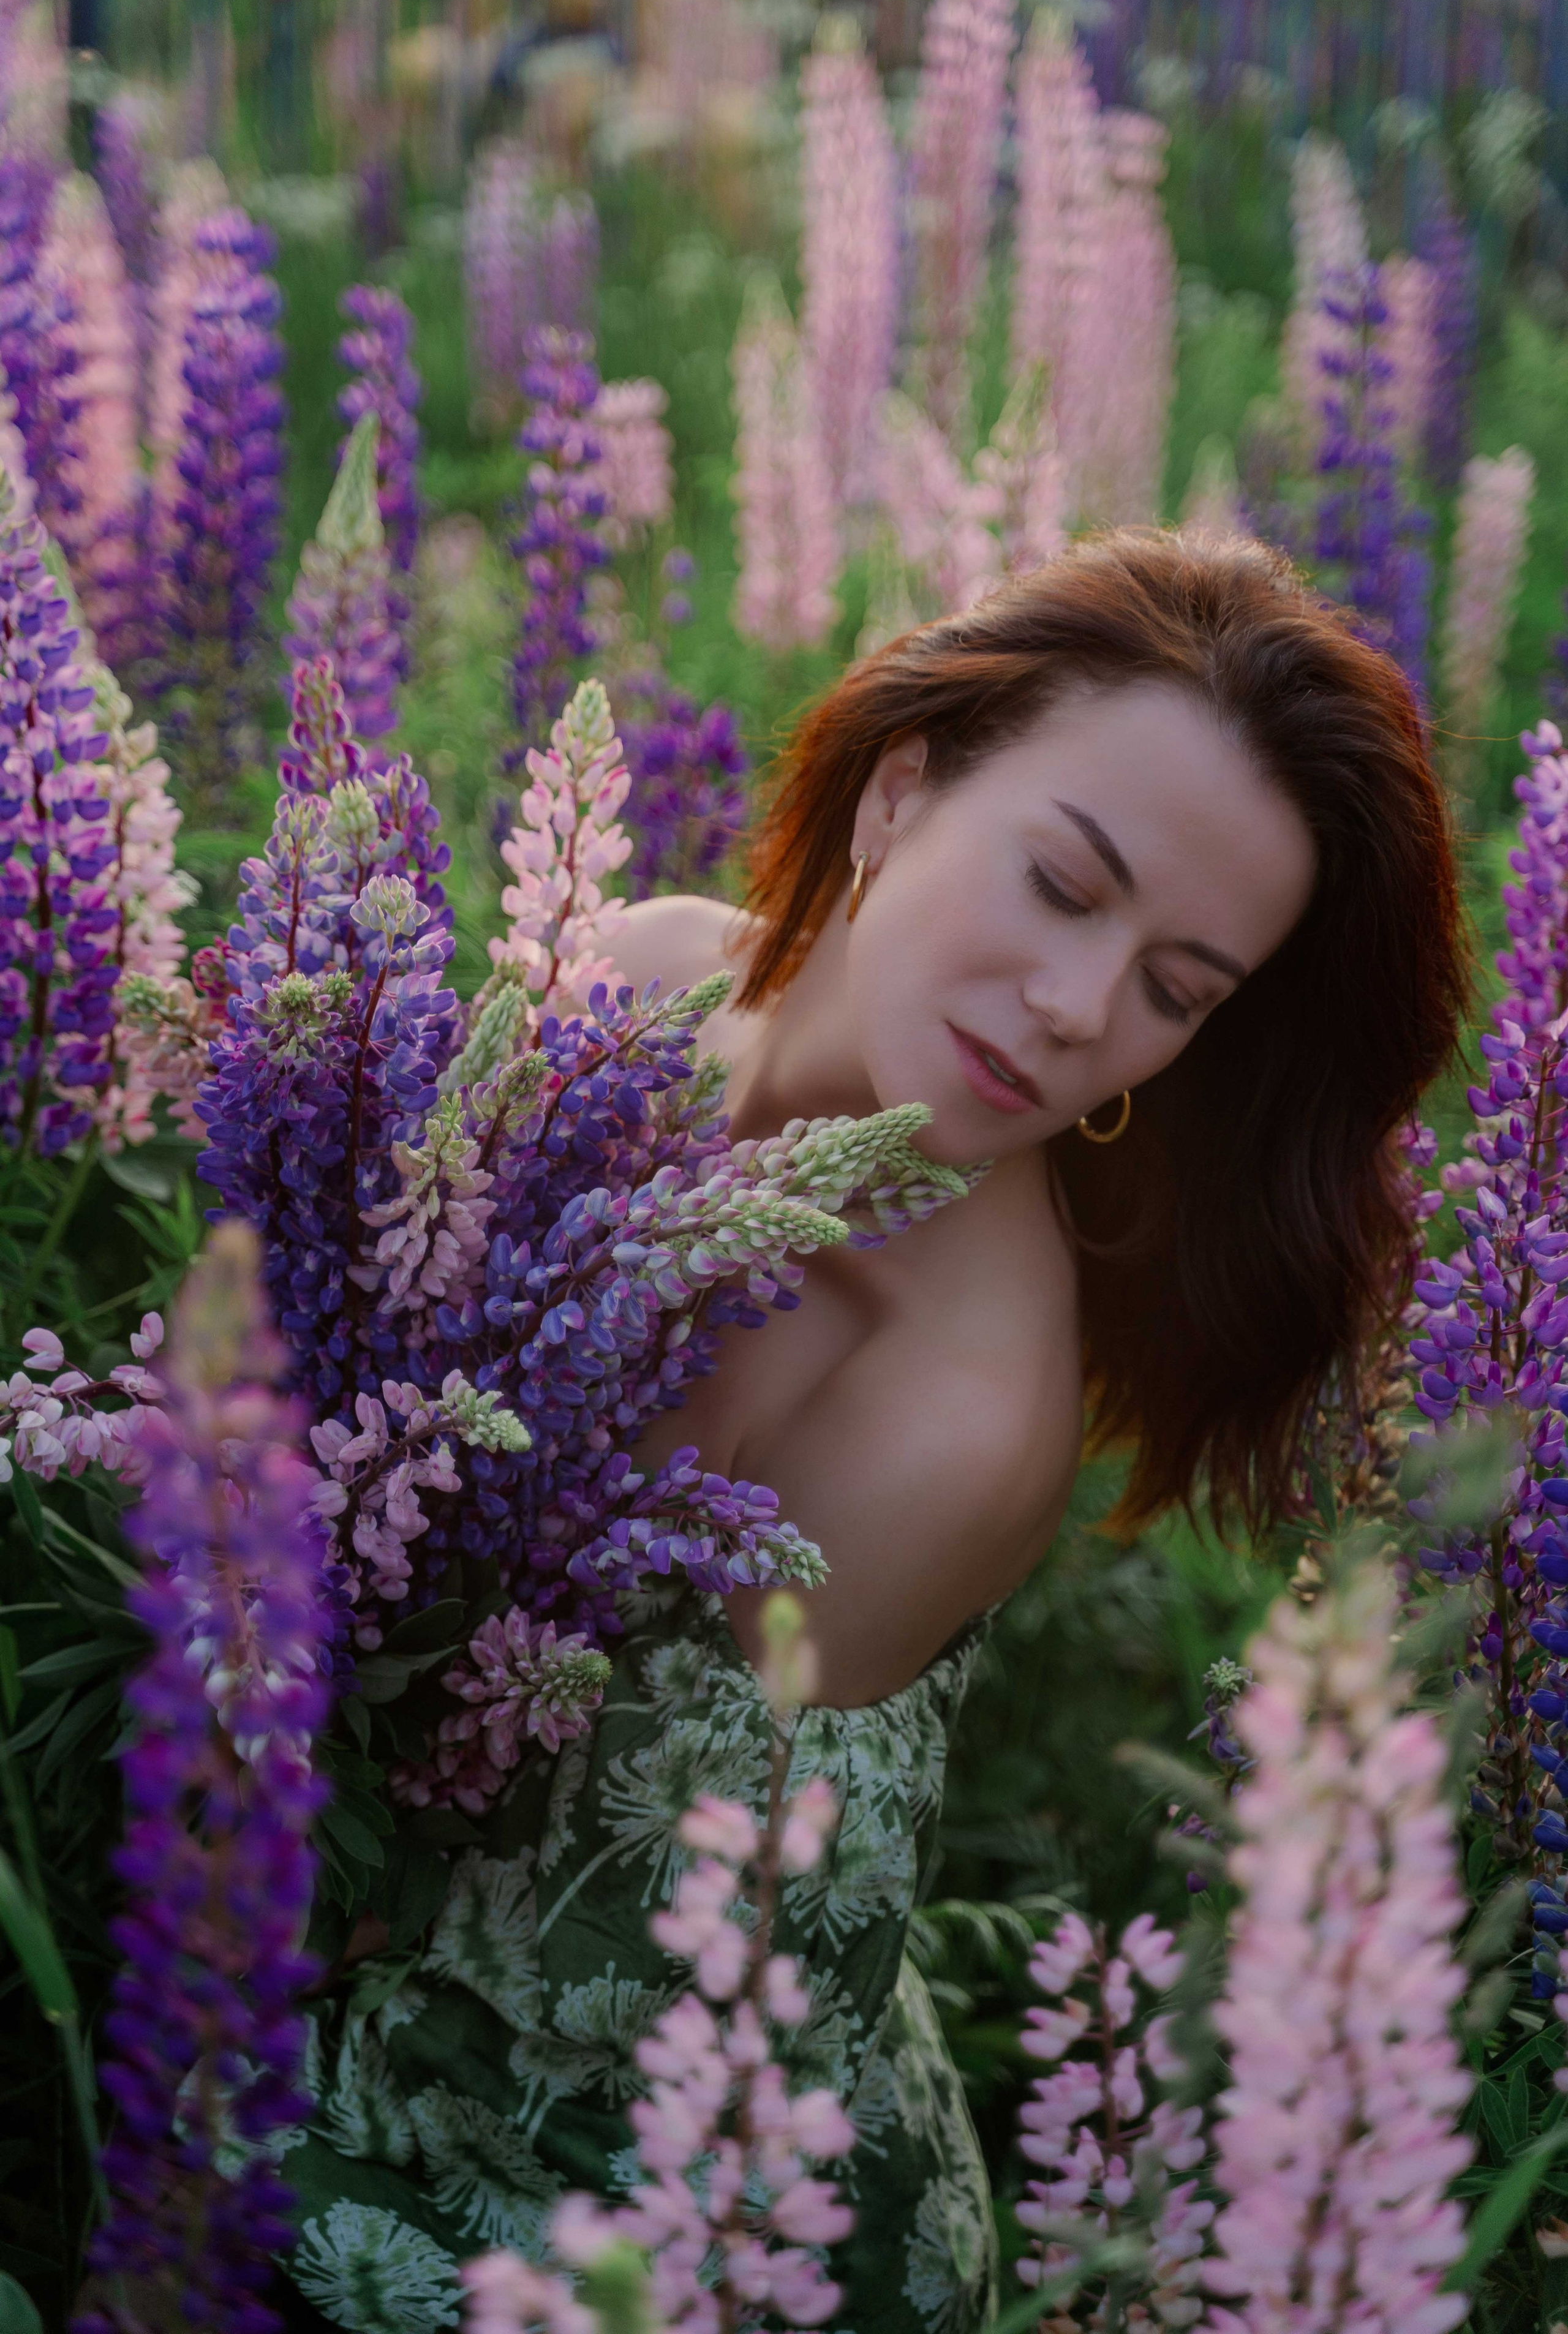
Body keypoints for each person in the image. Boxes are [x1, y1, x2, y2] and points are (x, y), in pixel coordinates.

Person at [278, 530, 1465, 2334]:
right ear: (905, 790)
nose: (1082, 1013)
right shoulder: (632, 972)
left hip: (623, 2179)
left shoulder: (959, 1410)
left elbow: (553, 1950)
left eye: (1177, 987)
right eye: (1067, 885)